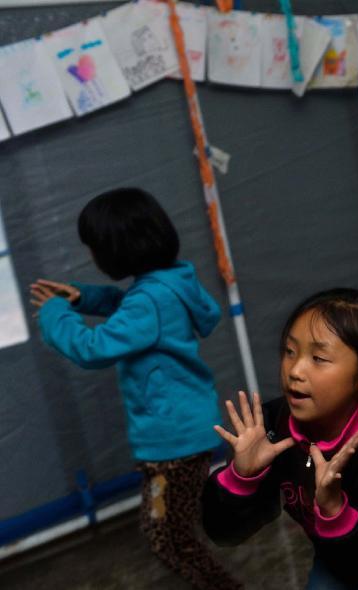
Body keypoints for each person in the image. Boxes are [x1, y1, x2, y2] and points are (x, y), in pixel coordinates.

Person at [30, 188, 240, 590]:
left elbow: (93, 348)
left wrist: (56, 312)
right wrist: (83, 297)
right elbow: (131, 306)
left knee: (168, 539)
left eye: (94, 247)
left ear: (117, 249)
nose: (92, 256)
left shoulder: (150, 300)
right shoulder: (171, 281)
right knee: (173, 535)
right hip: (185, 433)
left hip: (172, 445)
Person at [201, 288, 358, 589]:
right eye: (290, 351)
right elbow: (224, 533)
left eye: (319, 357)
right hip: (336, 545)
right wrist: (241, 478)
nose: (295, 370)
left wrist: (334, 508)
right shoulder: (271, 428)